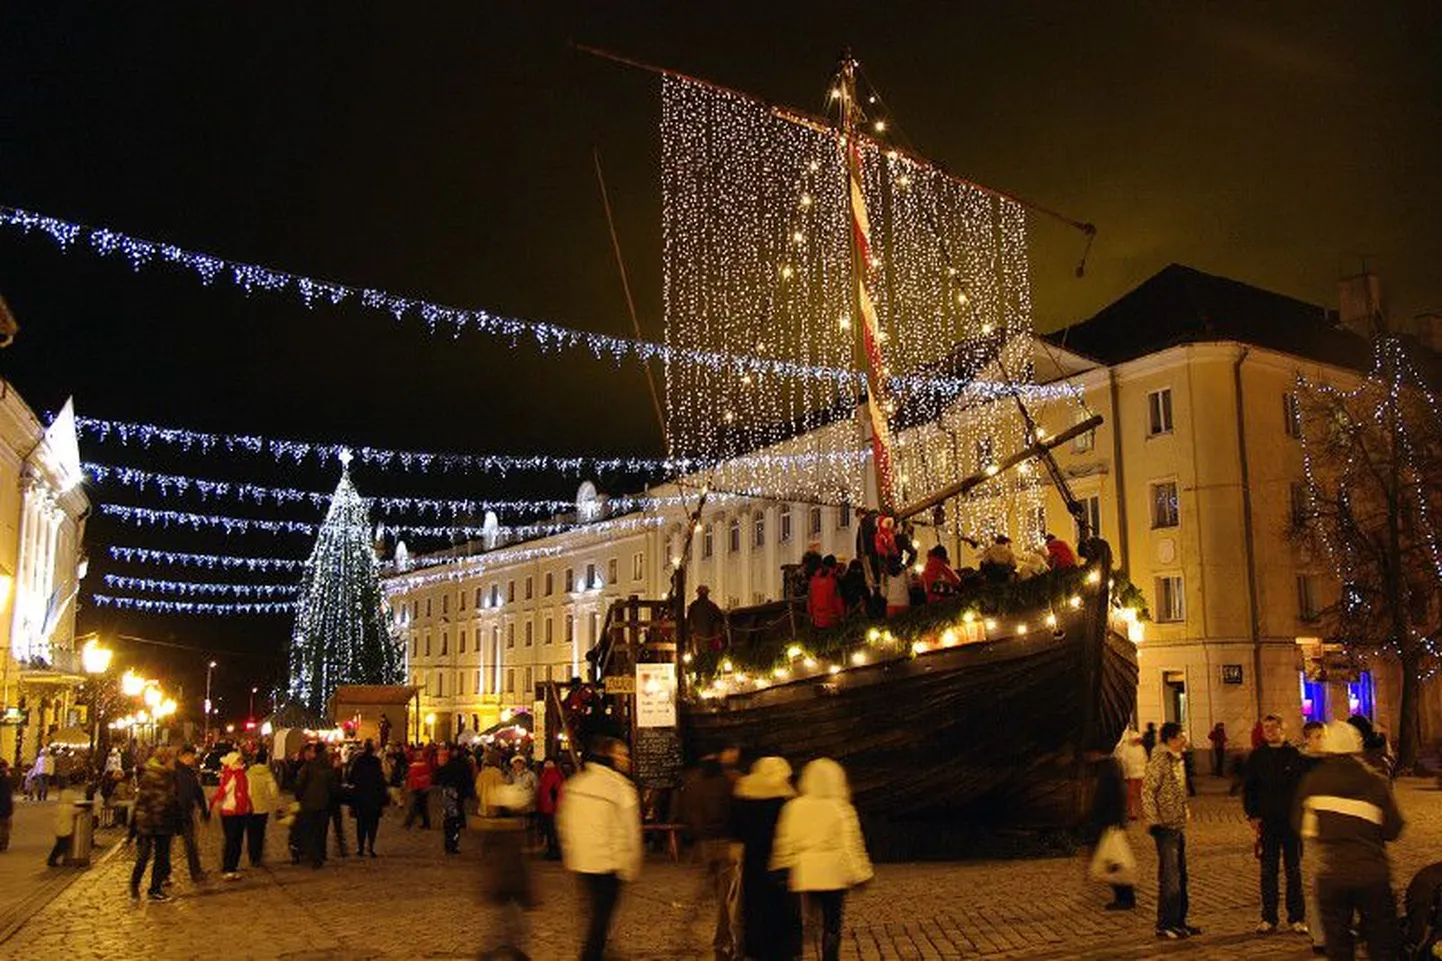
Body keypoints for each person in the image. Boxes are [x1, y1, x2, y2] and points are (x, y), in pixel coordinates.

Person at [1294, 719, 1404, 961]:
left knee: (1338, 944)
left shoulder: (1313, 782)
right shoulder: (1376, 781)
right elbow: (1393, 829)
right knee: (1382, 942)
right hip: (1373, 873)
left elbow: (1304, 827)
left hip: (1332, 874)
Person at [770, 758, 872, 961]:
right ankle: (829, 956)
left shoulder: (794, 807)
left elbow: (786, 840)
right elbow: (851, 845)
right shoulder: (840, 808)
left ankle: (803, 949)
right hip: (834, 873)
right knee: (832, 921)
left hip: (807, 872)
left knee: (809, 918)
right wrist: (861, 873)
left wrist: (781, 863)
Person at [558, 735, 642, 961]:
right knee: (602, 917)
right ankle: (592, 955)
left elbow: (565, 822)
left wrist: (572, 851)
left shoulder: (576, 784)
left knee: (596, 914)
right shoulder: (620, 788)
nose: (626, 759)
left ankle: (602, 951)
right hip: (609, 863)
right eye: (621, 754)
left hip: (583, 862)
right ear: (609, 757)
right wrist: (631, 863)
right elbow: (631, 830)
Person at [730, 756, 801, 961]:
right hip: (779, 860)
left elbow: (737, 830)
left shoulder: (743, 793)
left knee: (755, 907)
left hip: (753, 859)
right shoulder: (784, 798)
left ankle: (756, 949)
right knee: (781, 909)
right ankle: (781, 951)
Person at [1243, 715, 1308, 935]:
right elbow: (1249, 788)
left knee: (1294, 870)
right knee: (1268, 871)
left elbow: (1303, 788)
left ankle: (1296, 917)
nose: (1269, 731)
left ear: (1283, 729)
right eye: (1266, 728)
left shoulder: (1294, 755)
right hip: (1267, 823)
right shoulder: (1257, 756)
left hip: (1291, 822)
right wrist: (1252, 815)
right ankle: (1268, 917)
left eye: (1273, 727)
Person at [679, 748, 742, 961]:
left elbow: (687, 810)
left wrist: (696, 832)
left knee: (710, 889)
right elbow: (734, 811)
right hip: (724, 841)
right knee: (726, 895)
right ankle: (722, 937)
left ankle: (688, 926)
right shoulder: (728, 780)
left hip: (704, 842)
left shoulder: (692, 780)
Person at [1143, 721, 1199, 940]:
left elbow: (1178, 791)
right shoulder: (1160, 761)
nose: (1184, 739)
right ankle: (1165, 924)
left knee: (1181, 875)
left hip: (1177, 824)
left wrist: (1184, 810)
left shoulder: (1178, 760)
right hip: (1164, 826)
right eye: (1181, 735)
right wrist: (1153, 819)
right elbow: (1148, 791)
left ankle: (1179, 921)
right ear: (1171, 739)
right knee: (1170, 876)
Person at [1086, 750, 1135, 910]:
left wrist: (1101, 819)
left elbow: (1104, 799)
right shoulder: (1112, 769)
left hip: (1110, 822)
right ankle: (1125, 896)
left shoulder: (1107, 772)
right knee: (1115, 860)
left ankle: (1124, 897)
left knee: (1114, 861)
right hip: (1113, 822)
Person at [131, 747, 180, 902]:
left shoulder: (169, 776)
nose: (175, 762)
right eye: (173, 759)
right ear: (165, 760)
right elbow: (143, 800)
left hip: (163, 822)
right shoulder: (152, 776)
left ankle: (155, 888)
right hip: (150, 821)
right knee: (145, 856)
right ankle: (135, 885)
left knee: (161, 857)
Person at [1298, 720, 1328, 956]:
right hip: (1314, 830)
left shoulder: (1333, 761)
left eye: (1323, 736)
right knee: (1318, 882)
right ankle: (1319, 935)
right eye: (1317, 736)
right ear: (1307, 738)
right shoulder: (1301, 764)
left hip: (1335, 829)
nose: (1321, 740)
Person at [294, 743, 338, 869]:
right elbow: (333, 787)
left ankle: (315, 856)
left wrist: (299, 798)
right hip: (324, 804)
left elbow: (300, 784)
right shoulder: (328, 766)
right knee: (321, 830)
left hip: (309, 803)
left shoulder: (309, 766)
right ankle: (321, 853)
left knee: (310, 830)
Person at [210, 751, 252, 880]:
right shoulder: (231, 774)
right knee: (232, 841)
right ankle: (228, 868)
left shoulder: (242, 774)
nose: (241, 762)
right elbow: (223, 790)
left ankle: (232, 867)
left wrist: (249, 805)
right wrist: (214, 803)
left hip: (241, 811)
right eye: (238, 760)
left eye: (241, 760)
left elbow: (246, 792)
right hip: (230, 812)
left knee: (237, 841)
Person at [173, 744, 209, 883]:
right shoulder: (174, 771)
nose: (193, 758)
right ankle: (163, 875)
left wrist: (204, 808)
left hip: (186, 813)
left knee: (191, 844)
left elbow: (198, 792)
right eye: (191, 756)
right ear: (185, 756)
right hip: (175, 813)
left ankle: (196, 872)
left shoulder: (190, 772)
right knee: (167, 847)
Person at [349, 740, 386, 857]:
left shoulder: (358, 761)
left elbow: (351, 778)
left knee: (361, 824)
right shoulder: (376, 762)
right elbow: (381, 780)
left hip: (361, 797)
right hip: (374, 797)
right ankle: (370, 847)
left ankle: (360, 848)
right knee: (373, 824)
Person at [436, 744, 475, 854]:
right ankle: (450, 845)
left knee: (453, 820)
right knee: (451, 820)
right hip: (452, 793)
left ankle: (452, 844)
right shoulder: (452, 763)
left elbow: (466, 778)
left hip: (455, 793)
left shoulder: (459, 763)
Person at [245, 748, 280, 867]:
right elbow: (273, 792)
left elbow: (246, 790)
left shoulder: (249, 773)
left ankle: (252, 855)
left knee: (251, 833)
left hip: (249, 808)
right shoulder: (267, 774)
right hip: (262, 808)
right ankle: (257, 858)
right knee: (260, 833)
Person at [46, 772, 87, 867]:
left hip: (58, 829)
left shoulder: (59, 806)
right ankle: (52, 859)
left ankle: (55, 859)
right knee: (62, 845)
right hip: (65, 830)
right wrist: (85, 808)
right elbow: (78, 811)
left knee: (59, 844)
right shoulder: (68, 808)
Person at [1114, 728, 1147, 821]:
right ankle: (1132, 811)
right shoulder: (1126, 749)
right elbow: (1122, 760)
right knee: (1131, 794)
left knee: (1141, 793)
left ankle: (1143, 810)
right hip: (1131, 774)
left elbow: (1144, 759)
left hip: (1140, 773)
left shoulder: (1141, 748)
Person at [536, 757, 564, 860]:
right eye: (546, 762)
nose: (547, 764)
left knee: (552, 830)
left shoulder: (553, 774)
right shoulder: (546, 773)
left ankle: (554, 851)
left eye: (549, 762)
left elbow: (556, 791)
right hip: (547, 807)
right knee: (550, 830)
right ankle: (552, 850)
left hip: (550, 807)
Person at [807, 556, 846, 629]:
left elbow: (809, 600)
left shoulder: (812, 581)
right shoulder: (834, 580)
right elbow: (838, 601)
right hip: (831, 619)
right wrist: (842, 616)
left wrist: (811, 615)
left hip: (817, 620)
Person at [687, 585, 726, 653]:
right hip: (708, 636)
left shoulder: (694, 605)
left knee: (698, 653)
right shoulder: (712, 606)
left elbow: (689, 621)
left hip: (698, 636)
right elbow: (720, 619)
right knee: (708, 653)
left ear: (698, 594)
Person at [403, 747, 433, 829]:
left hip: (420, 788)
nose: (418, 755)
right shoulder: (415, 764)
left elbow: (427, 776)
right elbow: (411, 776)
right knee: (423, 807)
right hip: (419, 787)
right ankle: (427, 824)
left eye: (419, 754)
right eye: (417, 754)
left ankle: (408, 824)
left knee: (414, 806)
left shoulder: (424, 764)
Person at [0, 759, 12, 852]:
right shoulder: (7, 778)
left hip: (5, 805)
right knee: (4, 826)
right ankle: (3, 844)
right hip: (5, 806)